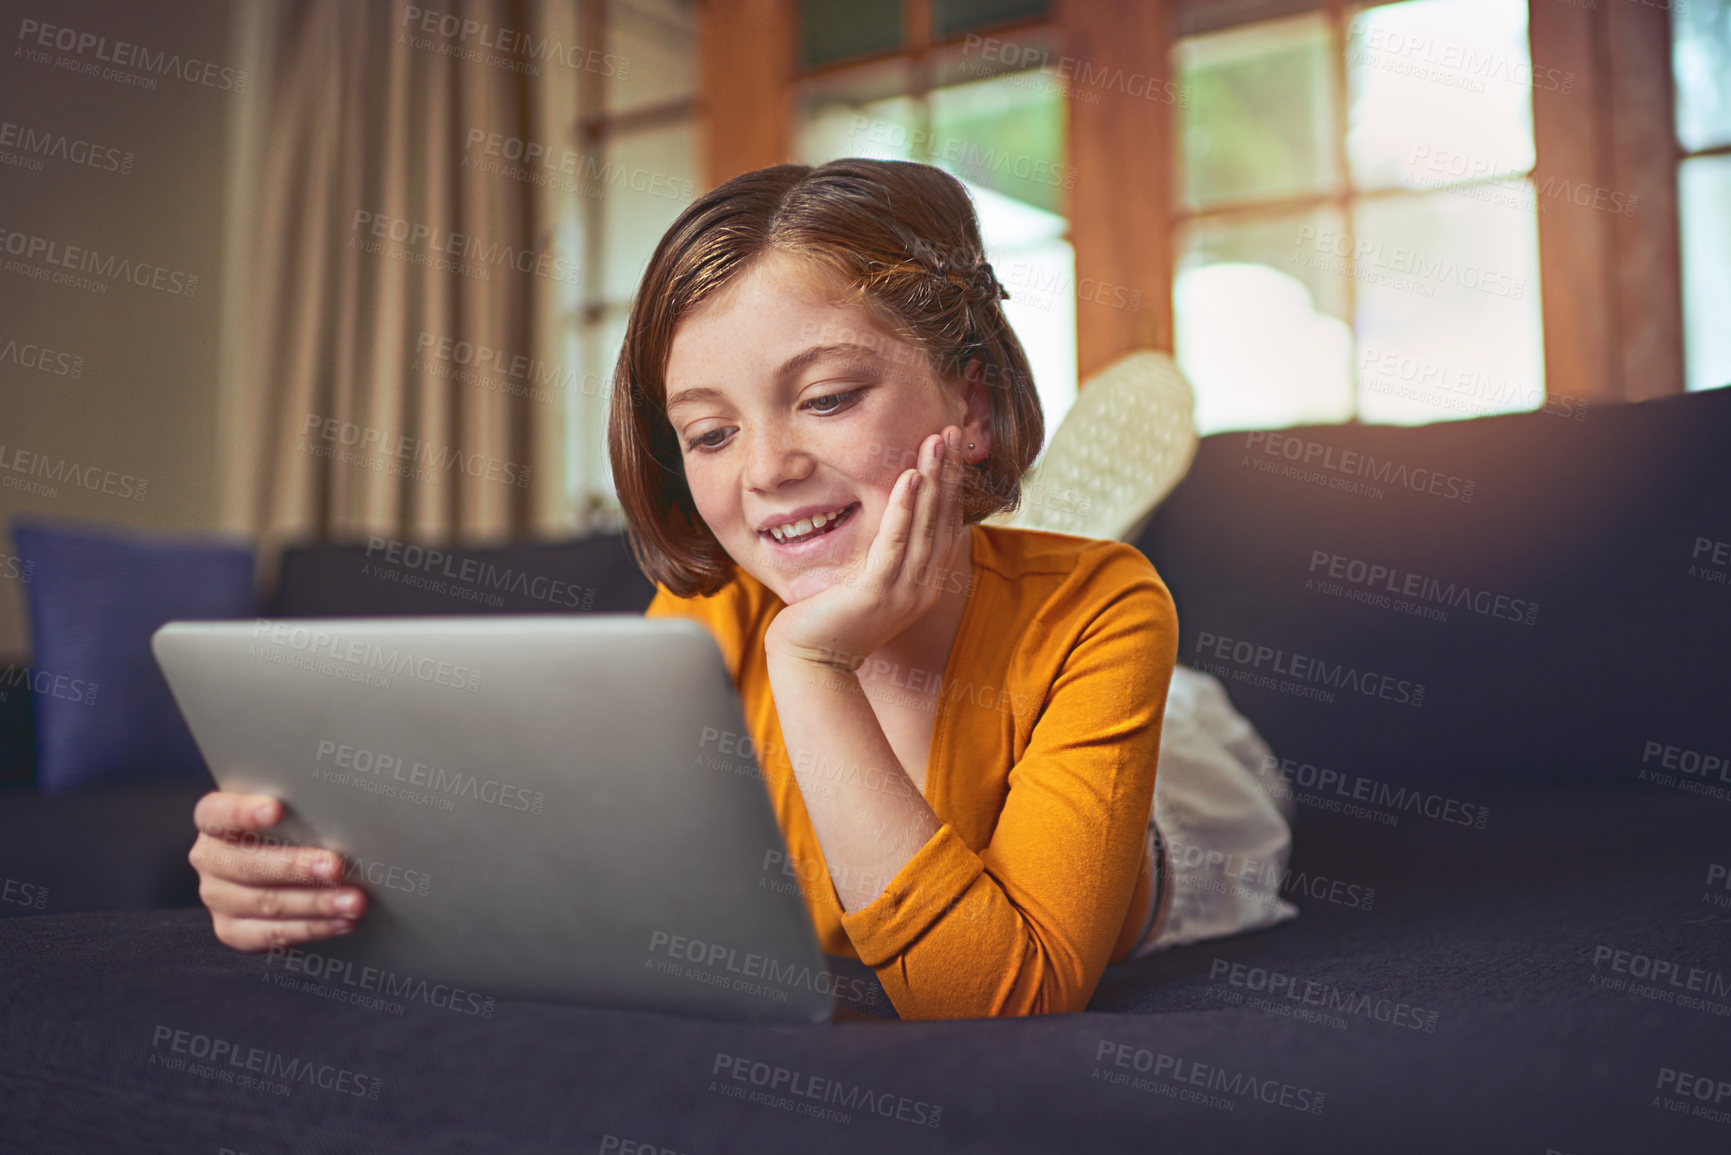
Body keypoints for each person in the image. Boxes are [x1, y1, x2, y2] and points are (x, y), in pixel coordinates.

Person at [186, 158, 1295, 1021]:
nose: (764, 470)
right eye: (710, 433)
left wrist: (812, 662)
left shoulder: (1113, 609)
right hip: (962, 652)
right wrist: (317, 879)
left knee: (1154, 696)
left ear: (973, 405)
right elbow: (580, 873)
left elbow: (993, 994)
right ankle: (974, 548)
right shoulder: (710, 614)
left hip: (1181, 808)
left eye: (825, 398)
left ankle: (1015, 560)